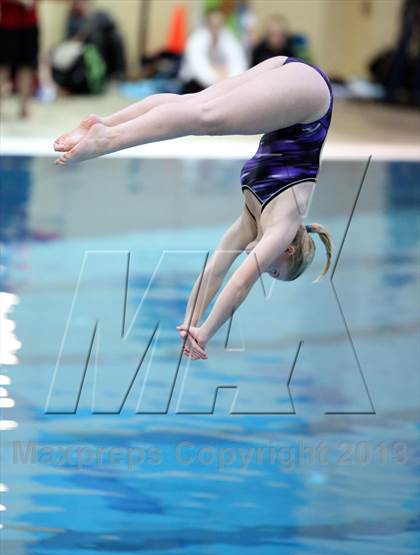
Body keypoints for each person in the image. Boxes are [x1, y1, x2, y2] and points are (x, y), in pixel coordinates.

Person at [53, 55, 334, 359]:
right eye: (274, 272)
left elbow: (215, 272)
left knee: (194, 103)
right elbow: (240, 284)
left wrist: (191, 323)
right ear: (288, 251)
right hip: (312, 99)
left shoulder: (253, 220)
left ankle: (102, 124)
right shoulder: (283, 225)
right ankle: (108, 140)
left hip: (294, 83)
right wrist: (207, 334)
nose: (265, 270)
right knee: (206, 117)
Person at [179, 7, 247, 93]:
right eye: (212, 25)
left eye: (219, 25)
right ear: (207, 24)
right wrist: (219, 78)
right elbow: (199, 69)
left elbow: (238, 63)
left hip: (224, 84)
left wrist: (228, 79)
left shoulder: (229, 37)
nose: (216, 29)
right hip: (195, 85)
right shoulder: (197, 38)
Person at [0, 0, 39, 118]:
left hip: (29, 24)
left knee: (27, 66)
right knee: (2, 66)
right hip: (7, 25)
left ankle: (24, 107)